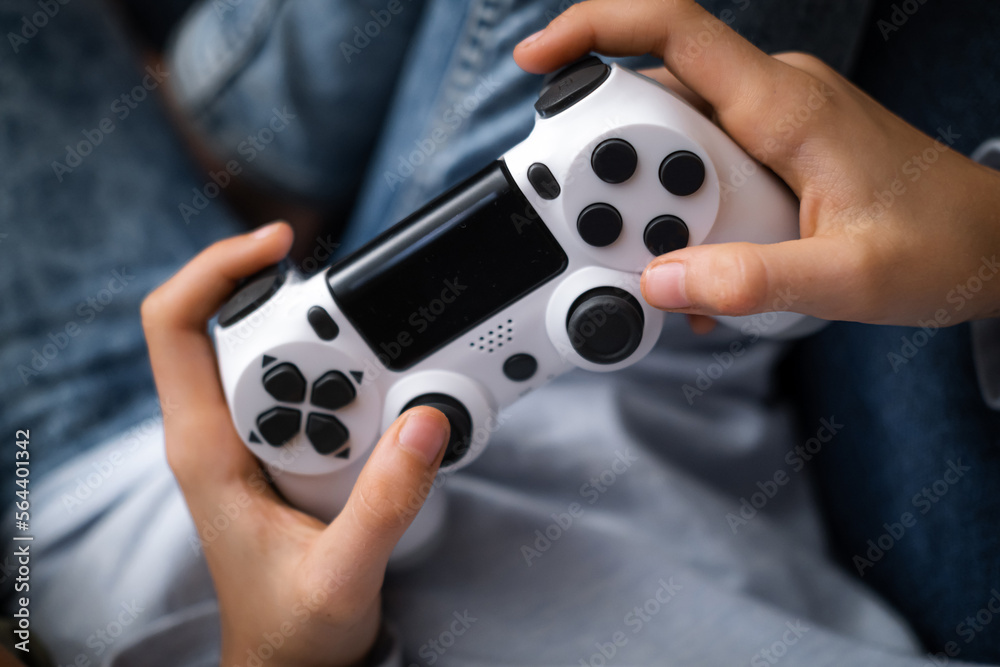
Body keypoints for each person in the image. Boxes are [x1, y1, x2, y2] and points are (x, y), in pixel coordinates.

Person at [2, 0, 998, 665]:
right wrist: (986, 243)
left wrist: (288, 657)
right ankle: (253, 148)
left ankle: (250, 142)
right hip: (667, 349)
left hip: (106, 494)